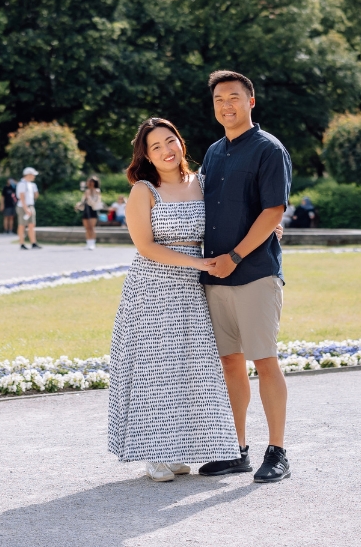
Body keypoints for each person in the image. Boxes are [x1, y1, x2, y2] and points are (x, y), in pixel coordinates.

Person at [109, 117, 239, 482]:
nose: (166, 150)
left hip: (192, 288)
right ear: (146, 156)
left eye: (170, 141)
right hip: (151, 286)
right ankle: (153, 453)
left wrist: (270, 225)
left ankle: (176, 448)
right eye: (156, 147)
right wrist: (196, 261)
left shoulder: (202, 182)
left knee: (187, 367)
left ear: (181, 143)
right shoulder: (143, 191)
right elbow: (146, 246)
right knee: (154, 368)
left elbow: (230, 217)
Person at [198, 70, 293, 484]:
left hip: (254, 274)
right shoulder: (213, 152)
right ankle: (236, 450)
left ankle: (278, 452)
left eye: (233, 97)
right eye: (219, 99)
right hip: (215, 277)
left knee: (265, 361)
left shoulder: (269, 149)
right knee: (230, 363)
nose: (226, 105)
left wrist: (235, 256)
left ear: (250, 101)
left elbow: (274, 211)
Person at [15, 167, 40, 249]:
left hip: (30, 205)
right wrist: (26, 209)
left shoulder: (31, 184)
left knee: (32, 225)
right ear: (28, 175)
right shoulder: (22, 184)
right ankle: (21, 243)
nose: (34, 177)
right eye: (33, 175)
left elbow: (35, 196)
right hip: (23, 206)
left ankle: (33, 242)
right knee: (22, 225)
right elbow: (22, 198)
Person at [77, 176, 104, 249]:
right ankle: (88, 243)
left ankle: (92, 243)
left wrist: (88, 197)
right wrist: (78, 205)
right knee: (87, 228)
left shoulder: (97, 191)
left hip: (93, 210)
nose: (89, 183)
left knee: (92, 227)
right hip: (86, 210)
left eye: (91, 182)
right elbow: (83, 201)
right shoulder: (86, 191)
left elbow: (95, 202)